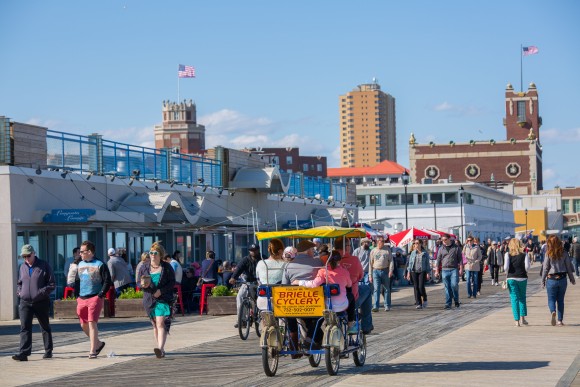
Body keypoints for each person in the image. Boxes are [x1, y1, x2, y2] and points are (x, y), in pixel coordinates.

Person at [293, 249, 357, 333]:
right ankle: (350, 323)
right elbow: (349, 285)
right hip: (341, 306)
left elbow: (313, 284)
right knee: (351, 296)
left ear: (328, 260)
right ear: (340, 260)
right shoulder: (344, 271)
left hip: (327, 306)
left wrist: (299, 282)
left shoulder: (323, 271)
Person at [13, 245, 55, 361]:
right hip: (25, 302)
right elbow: (19, 283)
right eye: (24, 256)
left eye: (28, 255)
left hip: (41, 301)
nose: (26, 258)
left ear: (34, 253)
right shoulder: (22, 267)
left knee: (44, 326)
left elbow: (51, 284)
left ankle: (48, 350)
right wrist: (19, 292)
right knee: (24, 327)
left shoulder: (44, 265)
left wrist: (40, 293)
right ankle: (24, 353)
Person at [282, 240, 323, 357]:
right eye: (312, 250)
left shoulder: (288, 265)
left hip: (294, 303)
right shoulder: (317, 262)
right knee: (320, 316)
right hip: (312, 302)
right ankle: (309, 338)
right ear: (309, 251)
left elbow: (285, 286)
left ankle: (293, 344)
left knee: (290, 315)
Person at [138, 242, 176, 358]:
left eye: (155, 253)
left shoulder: (166, 267)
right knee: (155, 324)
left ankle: (160, 348)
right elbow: (138, 282)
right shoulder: (144, 267)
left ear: (160, 255)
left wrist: (161, 291)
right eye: (151, 253)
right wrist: (143, 284)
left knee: (160, 322)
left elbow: (172, 283)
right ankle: (160, 348)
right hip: (149, 299)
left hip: (163, 299)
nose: (153, 255)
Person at [77, 240, 112, 359]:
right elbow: (77, 280)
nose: (80, 253)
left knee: (92, 323)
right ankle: (98, 343)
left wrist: (100, 295)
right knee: (83, 324)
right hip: (81, 298)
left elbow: (108, 281)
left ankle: (93, 350)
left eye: (82, 251)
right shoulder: (80, 264)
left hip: (95, 297)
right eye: (80, 251)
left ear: (90, 252)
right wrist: (77, 295)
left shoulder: (100, 264)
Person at [334, 237, 373, 334]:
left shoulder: (328, 260)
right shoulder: (354, 260)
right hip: (349, 299)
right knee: (367, 289)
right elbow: (360, 276)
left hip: (330, 300)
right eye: (349, 246)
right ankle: (366, 325)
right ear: (346, 247)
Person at [541, 235, 576, 326]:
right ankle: (560, 321)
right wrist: (572, 279)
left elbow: (545, 268)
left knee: (551, 299)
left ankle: (553, 311)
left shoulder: (548, 253)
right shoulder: (564, 253)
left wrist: (543, 281)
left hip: (551, 279)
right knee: (560, 300)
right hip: (562, 279)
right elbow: (568, 266)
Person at [229, 244, 261, 328]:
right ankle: (241, 320)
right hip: (247, 282)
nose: (253, 252)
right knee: (240, 297)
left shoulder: (263, 259)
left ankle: (258, 316)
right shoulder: (245, 259)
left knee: (259, 299)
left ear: (258, 250)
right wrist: (233, 277)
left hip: (259, 282)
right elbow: (239, 268)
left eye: (255, 250)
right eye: (251, 250)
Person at [504, 238, 531, 327]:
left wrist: (507, 273)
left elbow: (505, 267)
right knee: (522, 298)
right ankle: (523, 319)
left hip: (511, 278)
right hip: (522, 278)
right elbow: (527, 266)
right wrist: (525, 271)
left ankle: (517, 321)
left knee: (514, 299)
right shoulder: (524, 254)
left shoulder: (507, 254)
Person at [435, 234, 463, 310]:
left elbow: (460, 259)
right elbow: (438, 260)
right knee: (447, 287)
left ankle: (456, 300)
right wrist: (437, 270)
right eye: (442, 240)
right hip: (444, 269)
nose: (444, 241)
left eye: (445, 240)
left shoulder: (456, 248)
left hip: (454, 269)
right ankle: (448, 303)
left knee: (454, 285)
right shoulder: (441, 248)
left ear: (449, 239)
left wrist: (461, 269)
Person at [369, 236, 394, 311]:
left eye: (383, 241)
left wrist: (390, 270)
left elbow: (391, 261)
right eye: (381, 241)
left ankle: (387, 305)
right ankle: (376, 306)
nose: (383, 242)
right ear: (377, 242)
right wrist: (370, 275)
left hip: (385, 270)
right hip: (375, 271)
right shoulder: (373, 251)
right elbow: (370, 263)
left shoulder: (387, 250)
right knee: (376, 289)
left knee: (386, 289)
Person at [406, 240, 431, 309]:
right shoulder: (413, 253)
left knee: (421, 287)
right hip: (414, 271)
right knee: (416, 287)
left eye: (417, 243)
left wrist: (428, 273)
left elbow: (427, 264)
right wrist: (408, 272)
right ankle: (419, 303)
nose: (416, 245)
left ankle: (424, 298)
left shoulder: (425, 253)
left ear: (420, 244)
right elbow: (410, 263)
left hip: (422, 271)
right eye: (414, 243)